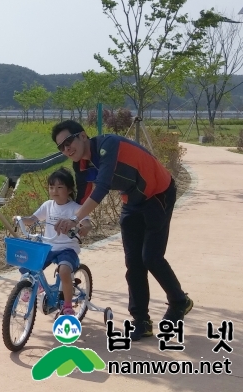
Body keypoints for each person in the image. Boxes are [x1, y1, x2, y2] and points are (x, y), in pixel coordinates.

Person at [51, 120, 193, 341]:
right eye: (61, 147)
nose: (67, 149)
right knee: (133, 262)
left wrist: (74, 219)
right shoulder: (81, 167)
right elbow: (80, 202)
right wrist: (75, 222)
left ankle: (179, 301)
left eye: (69, 141)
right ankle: (141, 321)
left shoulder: (109, 145)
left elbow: (103, 186)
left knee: (151, 257)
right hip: (132, 201)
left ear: (83, 136)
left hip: (158, 193)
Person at [16, 167, 92, 316]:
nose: (54, 191)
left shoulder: (76, 209)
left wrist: (85, 228)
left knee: (64, 271)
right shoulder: (48, 205)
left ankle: (68, 306)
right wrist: (20, 219)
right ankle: (36, 286)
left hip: (68, 249)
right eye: (51, 187)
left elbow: (87, 223)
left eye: (59, 187)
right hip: (49, 247)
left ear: (69, 190)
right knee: (29, 264)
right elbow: (33, 219)